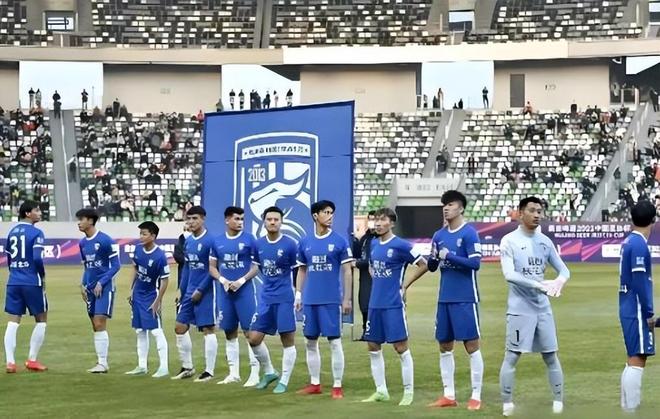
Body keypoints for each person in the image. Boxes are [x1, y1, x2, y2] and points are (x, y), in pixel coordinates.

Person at [498, 197, 570, 416]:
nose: (537, 214)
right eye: (532, 210)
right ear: (521, 213)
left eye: (540, 211)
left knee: (551, 356)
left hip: (542, 309)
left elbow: (564, 270)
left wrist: (559, 282)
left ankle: (558, 402)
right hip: (519, 309)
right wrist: (539, 285)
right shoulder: (509, 240)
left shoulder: (545, 242)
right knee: (512, 356)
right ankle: (507, 403)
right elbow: (509, 275)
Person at [361, 207, 428, 406]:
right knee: (373, 346)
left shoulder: (402, 245)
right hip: (375, 304)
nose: (378, 223)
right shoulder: (374, 243)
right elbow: (373, 266)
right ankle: (381, 391)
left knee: (400, 347)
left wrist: (404, 286)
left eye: (383, 220)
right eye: (376, 220)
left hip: (393, 305)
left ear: (391, 223)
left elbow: (424, 264)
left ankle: (408, 392)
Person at [427, 191, 483, 410]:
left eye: (450, 204)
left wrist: (448, 256)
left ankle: (476, 395)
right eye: (444, 205)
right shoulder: (438, 235)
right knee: (444, 345)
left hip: (465, 297)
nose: (446, 208)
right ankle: (448, 395)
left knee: (471, 345)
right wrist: (434, 257)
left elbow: (475, 264)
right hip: (445, 298)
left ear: (461, 208)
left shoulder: (469, 233)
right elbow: (433, 267)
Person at [295, 200, 353, 398]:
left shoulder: (339, 241)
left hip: (331, 300)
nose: (330, 216)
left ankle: (337, 386)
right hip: (311, 299)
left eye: (331, 213)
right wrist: (298, 294)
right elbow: (302, 270)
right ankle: (315, 383)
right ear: (315, 215)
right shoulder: (305, 242)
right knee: (310, 342)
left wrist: (347, 298)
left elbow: (347, 271)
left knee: (334, 342)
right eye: (326, 212)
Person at [247, 206, 299, 394]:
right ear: (264, 222)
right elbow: (259, 267)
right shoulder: (258, 244)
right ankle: (269, 372)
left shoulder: (290, 244)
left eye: (276, 219)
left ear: (281, 221)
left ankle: (284, 380)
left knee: (287, 339)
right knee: (253, 338)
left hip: (284, 298)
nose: (272, 222)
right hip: (265, 298)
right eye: (269, 219)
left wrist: (298, 293)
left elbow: (297, 271)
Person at [209, 206, 261, 386]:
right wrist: (223, 280)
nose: (240, 222)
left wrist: (241, 281)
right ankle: (234, 373)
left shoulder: (249, 239)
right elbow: (212, 267)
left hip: (245, 292)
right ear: (227, 220)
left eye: (242, 219)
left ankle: (255, 373)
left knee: (250, 333)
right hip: (225, 293)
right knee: (229, 331)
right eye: (236, 219)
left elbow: (256, 267)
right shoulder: (217, 242)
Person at [172, 206, 218, 382]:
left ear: (203, 219)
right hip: (189, 291)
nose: (191, 222)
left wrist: (200, 289)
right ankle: (187, 367)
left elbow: (213, 269)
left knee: (208, 329)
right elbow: (187, 268)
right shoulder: (188, 241)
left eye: (195, 218)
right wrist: (181, 289)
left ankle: (209, 371)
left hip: (206, 291)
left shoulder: (211, 241)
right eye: (189, 219)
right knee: (180, 326)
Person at [619, 200, 656, 412]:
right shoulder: (640, 245)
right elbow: (640, 281)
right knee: (638, 358)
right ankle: (631, 409)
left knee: (632, 357)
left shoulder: (629, 241)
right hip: (637, 308)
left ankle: (627, 408)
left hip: (628, 305)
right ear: (653, 220)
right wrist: (649, 311)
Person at [3, 201, 48, 373]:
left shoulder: (12, 232)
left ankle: (10, 362)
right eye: (37, 210)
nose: (40, 213)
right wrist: (42, 275)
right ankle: (32, 360)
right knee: (41, 319)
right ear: (28, 213)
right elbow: (37, 258)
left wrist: (15, 272)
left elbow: (9, 259)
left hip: (14, 281)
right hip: (31, 281)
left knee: (13, 321)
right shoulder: (37, 233)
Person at [77, 208, 120, 373]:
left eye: (81, 219)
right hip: (90, 288)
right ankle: (101, 363)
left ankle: (102, 363)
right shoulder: (82, 243)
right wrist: (83, 284)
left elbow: (116, 265)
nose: (79, 223)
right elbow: (87, 266)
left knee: (99, 322)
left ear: (90, 221)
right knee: (95, 325)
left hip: (105, 287)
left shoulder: (106, 240)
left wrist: (102, 282)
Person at [125, 221, 170, 378]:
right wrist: (131, 290)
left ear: (153, 236)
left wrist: (158, 301)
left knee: (156, 331)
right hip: (138, 295)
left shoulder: (160, 256)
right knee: (140, 330)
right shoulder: (138, 249)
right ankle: (142, 366)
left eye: (144, 234)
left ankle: (164, 367)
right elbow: (135, 269)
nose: (141, 237)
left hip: (151, 295)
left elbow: (165, 281)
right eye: (140, 233)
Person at [354, 211, 376, 339]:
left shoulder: (379, 239)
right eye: (370, 219)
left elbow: (370, 260)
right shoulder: (365, 238)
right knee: (364, 303)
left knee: (373, 304)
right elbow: (358, 254)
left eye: (375, 219)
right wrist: (355, 239)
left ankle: (373, 330)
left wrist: (356, 263)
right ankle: (365, 330)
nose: (373, 222)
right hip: (364, 276)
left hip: (376, 276)